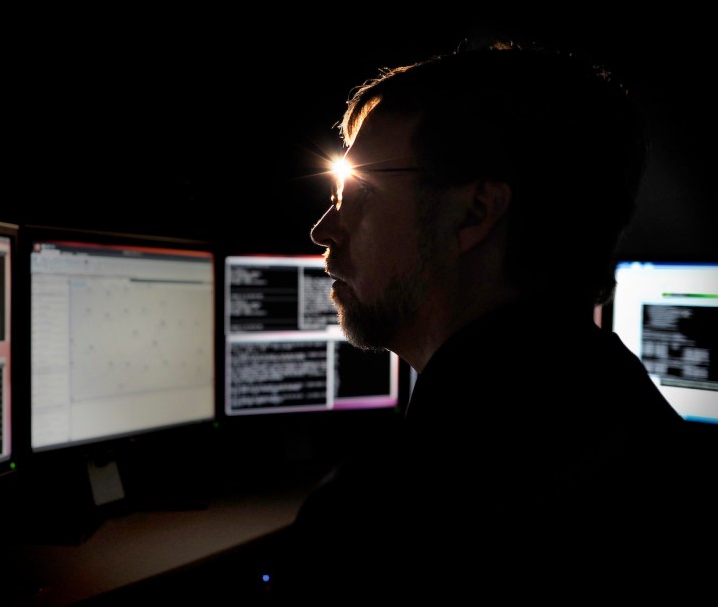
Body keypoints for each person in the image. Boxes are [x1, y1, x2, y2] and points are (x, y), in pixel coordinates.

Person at [260, 40, 715, 600]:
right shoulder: (641, 423)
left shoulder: (382, 518)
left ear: (474, 213)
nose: (323, 230)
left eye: (355, 192)